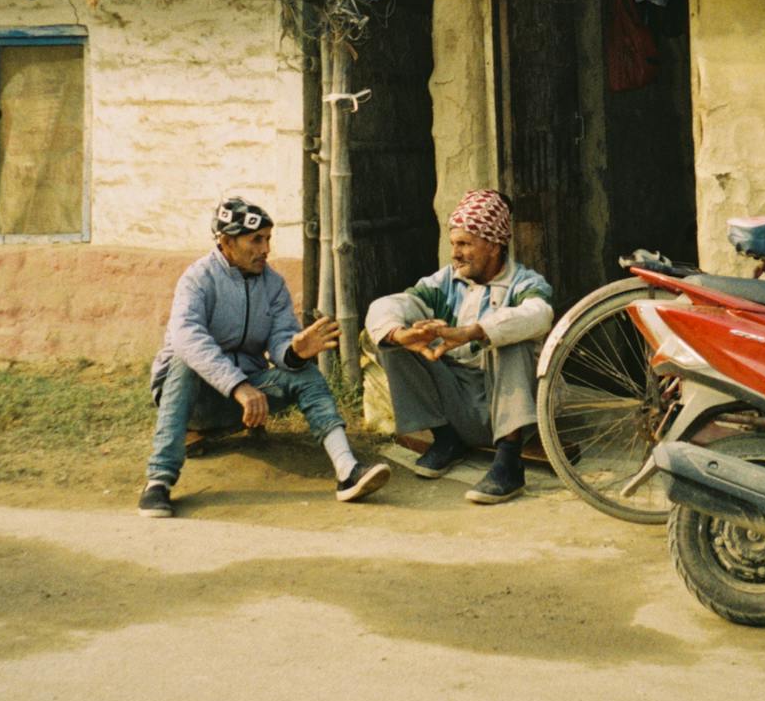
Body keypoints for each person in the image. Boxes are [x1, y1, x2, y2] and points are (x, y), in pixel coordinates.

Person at [140, 196, 389, 518]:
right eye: (256, 240)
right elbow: (187, 339)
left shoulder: (272, 284)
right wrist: (238, 386)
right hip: (193, 400)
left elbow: (280, 341)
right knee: (182, 362)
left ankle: (347, 470)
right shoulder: (197, 279)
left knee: (306, 375)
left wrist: (295, 352)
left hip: (245, 402)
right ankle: (158, 482)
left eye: (268, 239)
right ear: (227, 241)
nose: (266, 249)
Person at [366, 189, 553, 504]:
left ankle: (509, 463)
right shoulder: (444, 283)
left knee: (508, 338)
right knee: (396, 339)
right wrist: (400, 334)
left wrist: (475, 331)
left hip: (511, 406)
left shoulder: (526, 283)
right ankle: (447, 440)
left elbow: (540, 314)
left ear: (493, 245)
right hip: (457, 403)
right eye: (454, 244)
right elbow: (393, 303)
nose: (455, 253)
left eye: (465, 244)